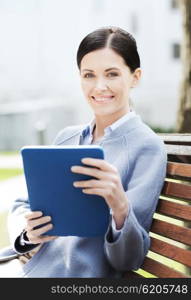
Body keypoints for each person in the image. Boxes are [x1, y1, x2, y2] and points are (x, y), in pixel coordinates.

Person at [0, 26, 167, 278]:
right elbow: (22, 204)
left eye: (112, 74)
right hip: (33, 266)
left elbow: (127, 260)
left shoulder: (147, 147)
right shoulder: (67, 137)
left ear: (135, 77)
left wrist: (121, 207)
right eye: (89, 75)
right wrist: (29, 232)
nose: (99, 86)